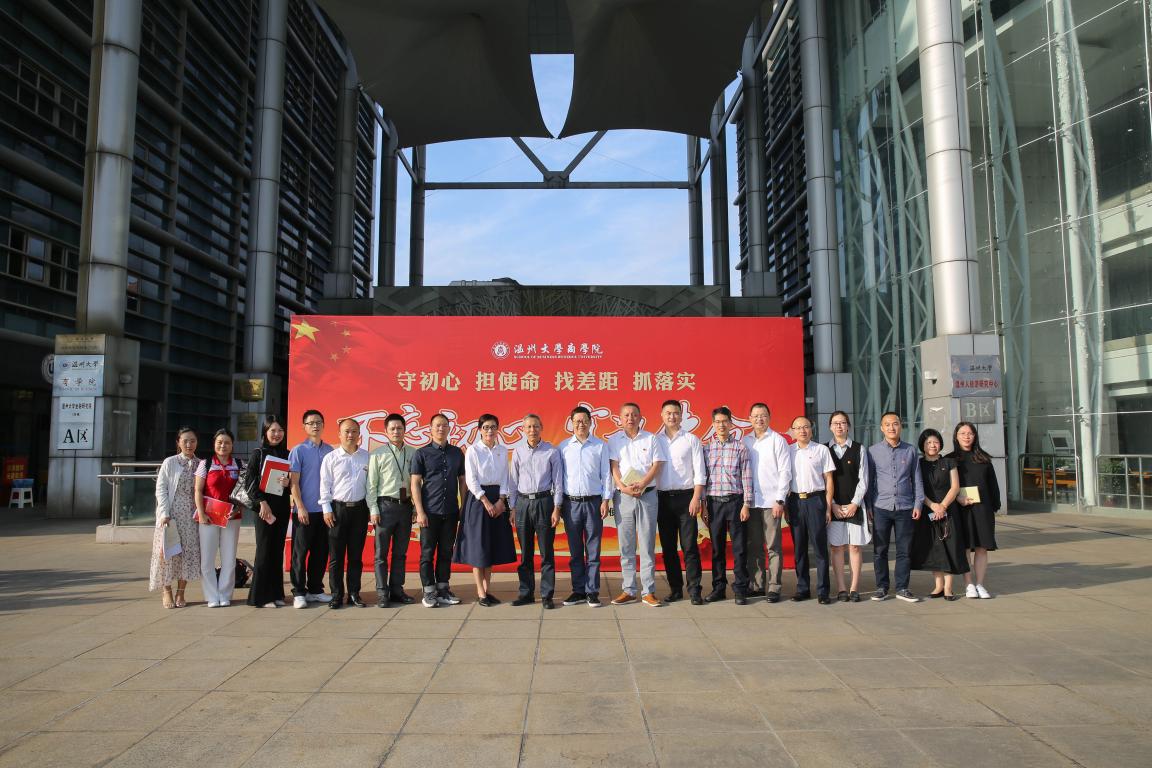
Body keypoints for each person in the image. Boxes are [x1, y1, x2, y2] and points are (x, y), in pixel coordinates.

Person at [608, 402, 668, 607]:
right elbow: (614, 466)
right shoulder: (614, 440)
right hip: (624, 497)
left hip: (647, 495)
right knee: (626, 544)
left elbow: (657, 464)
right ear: (620, 418)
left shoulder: (651, 438)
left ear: (641, 417)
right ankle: (628, 590)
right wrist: (622, 487)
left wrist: (642, 483)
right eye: (626, 415)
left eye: (634, 414)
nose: (630, 418)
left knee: (647, 543)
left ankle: (648, 591)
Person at [454, 413, 517, 605]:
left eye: (493, 427)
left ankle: (488, 590)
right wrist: (486, 501)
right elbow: (471, 479)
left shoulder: (502, 450)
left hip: (498, 498)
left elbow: (506, 477)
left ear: (498, 429)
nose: (490, 431)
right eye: (486, 427)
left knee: (491, 547)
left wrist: (501, 500)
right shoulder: (473, 450)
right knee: (478, 548)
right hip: (478, 501)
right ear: (480, 430)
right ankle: (481, 593)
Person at [866, 411, 925, 603]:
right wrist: (869, 506)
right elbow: (869, 481)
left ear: (901, 426)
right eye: (888, 424)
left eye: (895, 424)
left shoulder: (910, 450)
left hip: (905, 507)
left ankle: (902, 588)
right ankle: (881, 587)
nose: (892, 427)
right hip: (880, 507)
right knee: (880, 550)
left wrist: (918, 503)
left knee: (904, 550)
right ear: (882, 428)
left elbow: (917, 479)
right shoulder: (873, 451)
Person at [411, 413, 467, 608]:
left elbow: (462, 481)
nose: (441, 428)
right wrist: (420, 511)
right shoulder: (421, 453)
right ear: (430, 429)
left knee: (445, 552)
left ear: (449, 428)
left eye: (444, 425)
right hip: (429, 513)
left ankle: (443, 589)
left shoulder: (457, 453)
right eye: (437, 425)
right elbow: (415, 483)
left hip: (450, 511)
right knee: (427, 553)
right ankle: (428, 592)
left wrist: (463, 507)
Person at [558, 405, 612, 607]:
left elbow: (606, 475)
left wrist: (606, 500)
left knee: (593, 550)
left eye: (584, 421)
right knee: (575, 551)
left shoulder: (600, 446)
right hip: (570, 504)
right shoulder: (563, 447)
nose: (581, 424)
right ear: (571, 423)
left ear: (591, 422)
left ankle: (592, 591)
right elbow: (558, 478)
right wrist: (558, 504)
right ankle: (578, 590)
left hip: (593, 503)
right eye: (577, 421)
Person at [653, 400, 706, 604]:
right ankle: (675, 589)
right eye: (668, 413)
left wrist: (696, 497)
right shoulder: (655, 440)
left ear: (681, 415)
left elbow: (700, 472)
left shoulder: (691, 440)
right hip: (662, 499)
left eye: (675, 413)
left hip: (686, 499)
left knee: (689, 546)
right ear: (661, 415)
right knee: (668, 548)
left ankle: (694, 590)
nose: (672, 416)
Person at [509, 413, 564, 609]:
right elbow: (513, 482)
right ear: (523, 430)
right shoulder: (518, 451)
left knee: (546, 552)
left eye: (535, 426)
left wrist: (557, 508)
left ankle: (547, 595)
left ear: (541, 428)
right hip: (523, 504)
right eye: (528, 427)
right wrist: (512, 507)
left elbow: (558, 482)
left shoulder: (551, 451)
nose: (532, 430)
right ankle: (526, 593)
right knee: (525, 553)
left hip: (544, 502)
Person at [702, 407, 754, 605]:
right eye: (717, 422)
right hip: (714, 503)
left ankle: (740, 588)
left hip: (736, 502)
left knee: (739, 548)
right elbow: (703, 479)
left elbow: (746, 477)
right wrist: (704, 506)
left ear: (731, 423)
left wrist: (746, 504)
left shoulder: (740, 448)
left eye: (725, 421)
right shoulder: (707, 449)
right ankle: (719, 588)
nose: (721, 425)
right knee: (717, 548)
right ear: (713, 424)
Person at [366, 413, 418, 608]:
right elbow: (371, 485)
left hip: (405, 507)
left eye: (399, 428)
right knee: (381, 554)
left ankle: (397, 590)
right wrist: (373, 509)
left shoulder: (413, 453)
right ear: (386, 431)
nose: (396, 431)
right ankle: (382, 593)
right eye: (392, 428)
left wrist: (415, 507)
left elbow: (417, 483)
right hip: (384, 507)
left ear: (405, 430)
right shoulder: (377, 454)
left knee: (400, 553)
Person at [319, 418, 370, 609]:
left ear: (359, 435)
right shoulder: (331, 458)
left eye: (354, 431)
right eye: (347, 431)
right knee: (336, 557)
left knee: (356, 556)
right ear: (339, 434)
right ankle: (337, 595)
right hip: (337, 511)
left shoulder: (366, 457)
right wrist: (326, 509)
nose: (350, 435)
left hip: (360, 510)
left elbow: (371, 485)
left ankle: (354, 593)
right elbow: (324, 485)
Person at [912, 428, 969, 600]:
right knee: (934, 548)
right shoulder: (918, 464)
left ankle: (948, 588)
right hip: (927, 509)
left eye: (935, 442)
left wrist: (942, 506)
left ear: (940, 444)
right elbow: (917, 488)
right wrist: (932, 505)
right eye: (928, 442)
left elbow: (955, 487)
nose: (932, 445)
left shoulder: (949, 462)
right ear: (922, 445)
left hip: (948, 509)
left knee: (950, 546)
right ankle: (938, 586)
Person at [743, 402, 792, 603]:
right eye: (755, 416)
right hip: (751, 502)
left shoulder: (777, 440)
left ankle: (774, 587)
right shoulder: (745, 441)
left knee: (773, 547)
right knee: (754, 547)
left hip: (771, 502)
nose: (759, 419)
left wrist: (780, 500)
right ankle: (756, 585)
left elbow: (785, 471)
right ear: (749, 419)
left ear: (769, 418)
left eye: (763, 415)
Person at [947, 421, 1001, 599]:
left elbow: (993, 485)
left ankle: (980, 584)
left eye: (970, 433)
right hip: (960, 509)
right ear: (956, 436)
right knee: (965, 547)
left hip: (982, 508)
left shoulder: (984, 459)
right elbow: (944, 487)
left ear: (975, 436)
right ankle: (969, 583)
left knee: (982, 547)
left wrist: (995, 506)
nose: (966, 436)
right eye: (962, 433)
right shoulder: (950, 459)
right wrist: (957, 498)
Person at [150, 427, 202, 608]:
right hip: (171, 516)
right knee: (167, 553)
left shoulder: (200, 464)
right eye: (185, 441)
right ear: (178, 442)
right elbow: (161, 488)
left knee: (187, 553)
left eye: (192, 441)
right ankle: (167, 592)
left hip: (191, 517)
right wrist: (164, 513)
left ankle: (181, 592)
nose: (189, 444)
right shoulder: (170, 462)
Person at [787, 416, 836, 604]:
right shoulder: (788, 451)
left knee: (820, 548)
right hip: (795, 501)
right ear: (792, 431)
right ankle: (803, 588)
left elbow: (829, 479)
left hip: (816, 500)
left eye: (806, 427)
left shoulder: (821, 450)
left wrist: (828, 506)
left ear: (811, 429)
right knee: (799, 548)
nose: (802, 431)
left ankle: (823, 591)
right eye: (798, 428)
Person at [288, 409, 334, 608]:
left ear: (323, 425)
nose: (315, 426)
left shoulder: (330, 450)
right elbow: (293, 482)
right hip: (304, 511)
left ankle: (315, 589)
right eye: (311, 423)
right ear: (304, 427)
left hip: (324, 511)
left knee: (320, 552)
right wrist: (300, 506)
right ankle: (299, 592)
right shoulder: (298, 451)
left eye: (318, 422)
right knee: (300, 553)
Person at [246, 415, 293, 608]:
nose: (277, 434)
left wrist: (288, 483)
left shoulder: (287, 454)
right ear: (265, 432)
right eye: (272, 430)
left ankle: (276, 594)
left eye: (280, 430)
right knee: (264, 550)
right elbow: (249, 483)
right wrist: (261, 502)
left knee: (277, 551)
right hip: (264, 509)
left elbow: (293, 486)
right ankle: (260, 597)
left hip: (281, 508)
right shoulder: (258, 454)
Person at [195, 428, 243, 607]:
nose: (223, 446)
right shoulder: (205, 464)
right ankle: (211, 595)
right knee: (207, 559)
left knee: (229, 559)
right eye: (220, 442)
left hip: (232, 517)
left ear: (232, 445)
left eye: (227, 442)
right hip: (209, 517)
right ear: (214, 444)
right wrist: (201, 513)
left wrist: (238, 508)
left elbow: (245, 491)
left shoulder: (239, 464)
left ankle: (224, 594)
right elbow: (198, 490)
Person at [827, 411, 871, 602]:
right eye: (836, 423)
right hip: (834, 506)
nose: (839, 426)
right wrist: (832, 505)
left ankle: (854, 588)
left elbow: (864, 479)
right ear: (830, 427)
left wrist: (855, 503)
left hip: (855, 506)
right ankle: (841, 588)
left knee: (854, 547)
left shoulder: (859, 449)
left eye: (843, 423)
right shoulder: (824, 449)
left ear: (848, 426)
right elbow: (823, 481)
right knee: (837, 548)